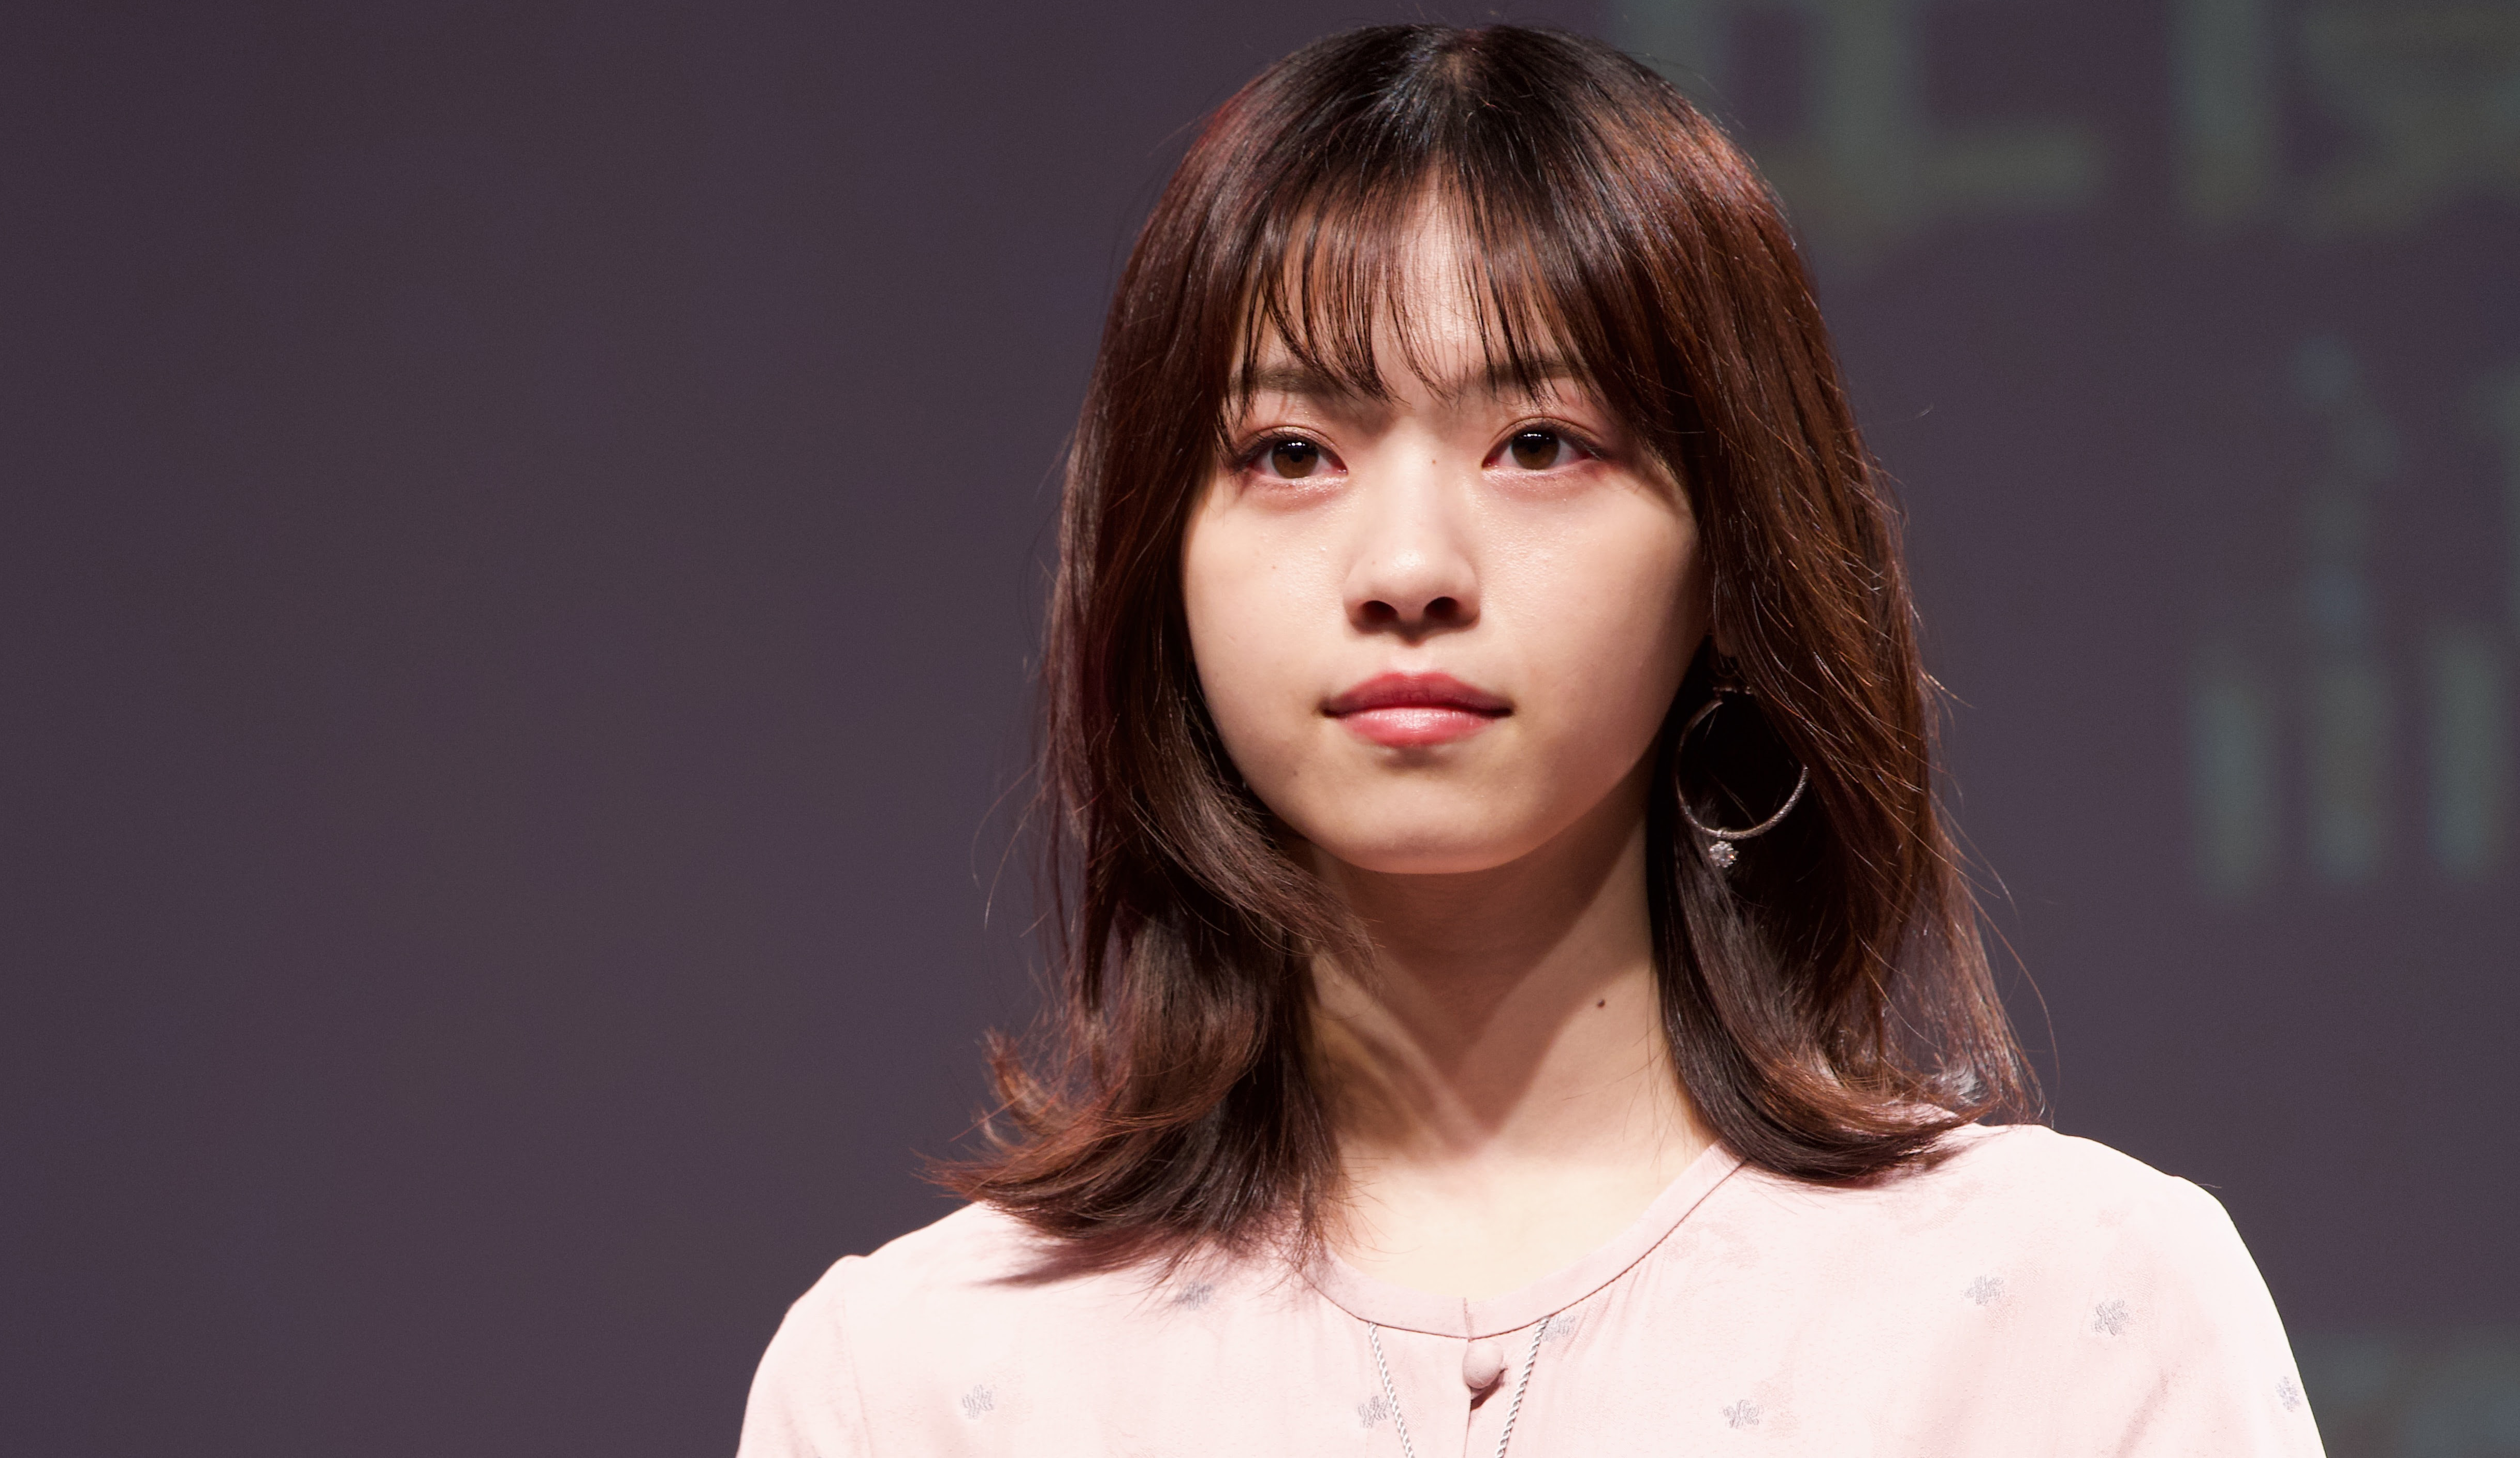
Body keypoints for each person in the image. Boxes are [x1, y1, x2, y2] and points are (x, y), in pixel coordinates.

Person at [738, 24, 2322, 1456]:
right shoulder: (918, 1382)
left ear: (1728, 555)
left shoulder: (2067, 1317)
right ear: (1160, 560)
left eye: (1540, 443)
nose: (1407, 567)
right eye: (1288, 451)